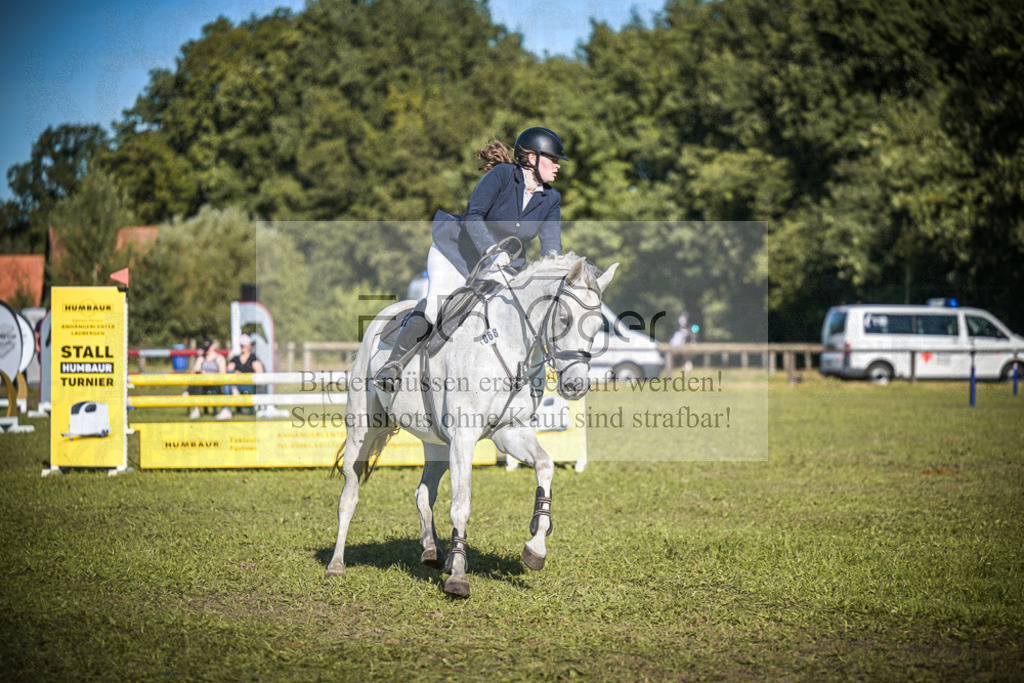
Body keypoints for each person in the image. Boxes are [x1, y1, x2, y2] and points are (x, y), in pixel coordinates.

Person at [374, 126, 569, 392]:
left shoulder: (551, 199)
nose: (557, 166)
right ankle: (393, 365)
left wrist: (557, 272)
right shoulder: (502, 175)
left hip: (501, 267)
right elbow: (473, 216)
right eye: (553, 160)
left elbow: (550, 246)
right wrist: (491, 251)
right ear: (532, 158)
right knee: (435, 309)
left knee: (512, 315)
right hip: (456, 255)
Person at [184, 339, 231, 420]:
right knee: (197, 377)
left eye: (208, 348)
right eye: (205, 348)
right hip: (202, 383)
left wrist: (208, 375)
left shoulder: (219, 358)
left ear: (213, 346)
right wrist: (199, 371)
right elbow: (193, 372)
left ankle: (188, 393)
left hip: (214, 382)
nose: (207, 350)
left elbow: (223, 374)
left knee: (198, 379)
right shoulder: (201, 358)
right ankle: (196, 409)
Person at [227, 334, 265, 415]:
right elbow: (228, 371)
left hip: (248, 385)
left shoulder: (254, 359)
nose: (243, 346)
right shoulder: (235, 358)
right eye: (242, 345)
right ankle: (226, 409)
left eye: (244, 345)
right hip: (237, 384)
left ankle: (228, 406)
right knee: (229, 377)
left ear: (250, 345)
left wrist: (241, 375)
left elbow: (260, 375)